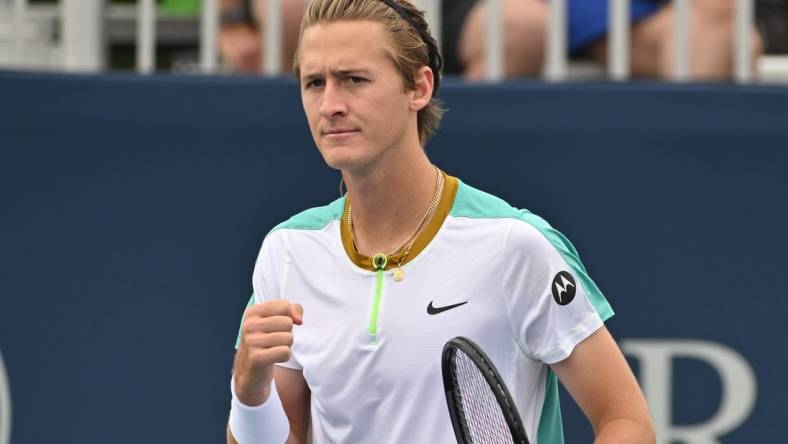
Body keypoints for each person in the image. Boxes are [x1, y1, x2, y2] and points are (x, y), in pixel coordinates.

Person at [227, 1, 655, 443]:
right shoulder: (287, 250)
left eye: (354, 79)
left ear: (419, 87)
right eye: (314, 83)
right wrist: (249, 392)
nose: (330, 104)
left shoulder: (513, 245)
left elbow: (626, 421)